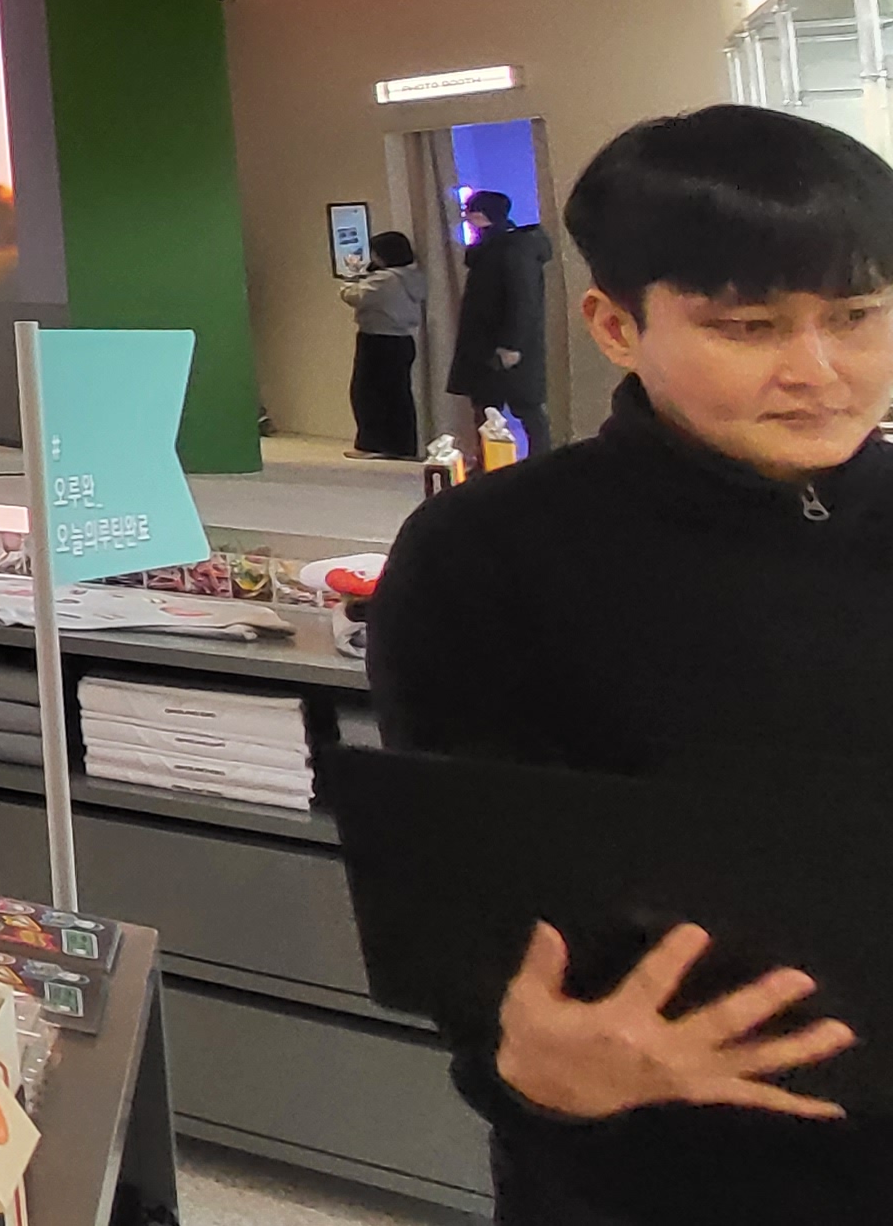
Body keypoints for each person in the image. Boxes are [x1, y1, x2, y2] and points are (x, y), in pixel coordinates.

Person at [368, 105, 893, 1223]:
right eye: (748, 327)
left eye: (855, 317)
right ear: (615, 325)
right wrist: (535, 1076)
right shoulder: (489, 554)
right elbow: (475, 932)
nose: (817, 371)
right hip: (668, 1174)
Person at [453, 186, 555, 452]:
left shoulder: (513, 248)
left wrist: (512, 343)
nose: (467, 217)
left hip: (503, 340)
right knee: (488, 407)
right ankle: (491, 461)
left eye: (470, 212)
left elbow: (523, 299)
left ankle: (538, 462)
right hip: (487, 339)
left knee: (525, 408)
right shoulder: (497, 247)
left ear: (482, 214)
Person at [340, 229, 428, 459]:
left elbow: (353, 296)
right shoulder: (414, 277)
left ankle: (372, 444)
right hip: (403, 340)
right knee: (399, 395)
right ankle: (402, 446)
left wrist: (353, 273)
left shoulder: (385, 279)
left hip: (376, 339)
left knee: (366, 393)